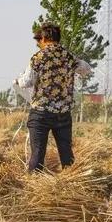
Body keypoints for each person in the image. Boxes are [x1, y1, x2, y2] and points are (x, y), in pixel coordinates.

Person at [15, 22, 92, 172]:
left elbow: (26, 82)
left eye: (39, 41)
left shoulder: (38, 57)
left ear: (44, 38)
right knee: (66, 155)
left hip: (41, 113)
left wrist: (18, 80)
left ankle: (34, 187)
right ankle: (71, 183)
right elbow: (86, 69)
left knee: (37, 154)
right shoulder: (69, 56)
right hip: (63, 113)